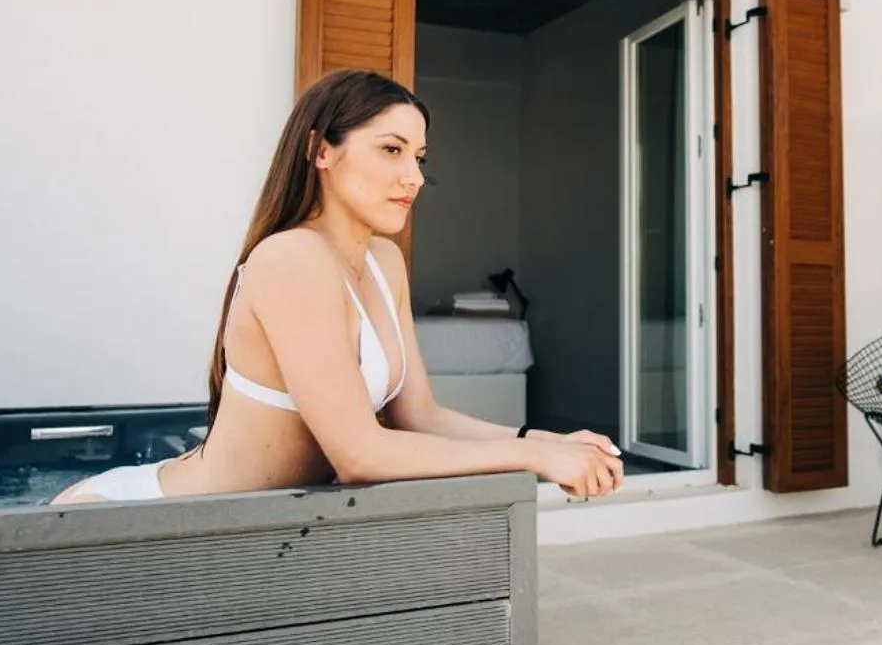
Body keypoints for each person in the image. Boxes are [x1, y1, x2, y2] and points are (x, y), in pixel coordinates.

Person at [51, 69, 623, 503]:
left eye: (419, 156)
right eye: (391, 150)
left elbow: (418, 416)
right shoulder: (291, 258)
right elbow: (357, 454)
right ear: (321, 150)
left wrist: (541, 437)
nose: (414, 177)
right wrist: (532, 457)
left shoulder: (383, 260)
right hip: (162, 517)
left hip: (268, 528)